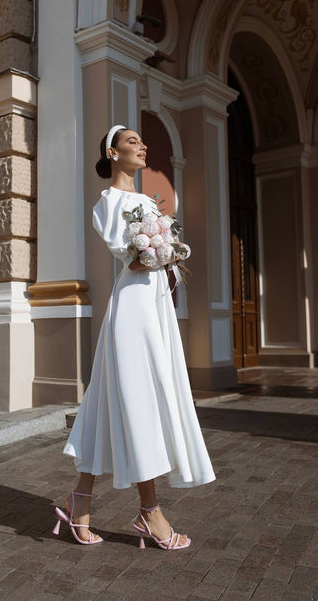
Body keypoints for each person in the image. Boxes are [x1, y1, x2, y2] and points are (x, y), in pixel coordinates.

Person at [53, 125, 216, 550]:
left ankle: (80, 502)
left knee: (108, 402)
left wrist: (169, 251)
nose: (141, 146)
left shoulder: (148, 201)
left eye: (142, 141)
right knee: (137, 399)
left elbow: (164, 251)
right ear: (112, 152)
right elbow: (128, 252)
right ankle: (150, 512)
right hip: (132, 307)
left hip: (154, 304)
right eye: (131, 142)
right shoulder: (109, 202)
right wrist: (154, 250)